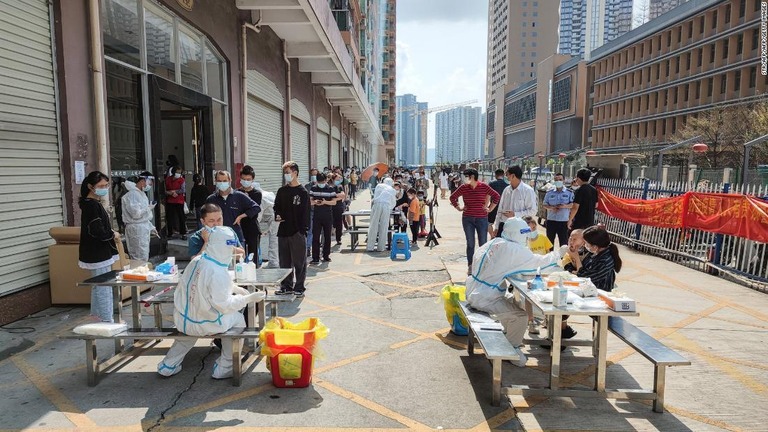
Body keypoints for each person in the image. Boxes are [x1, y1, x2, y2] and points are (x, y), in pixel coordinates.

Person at [157, 226, 264, 379]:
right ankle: (225, 367)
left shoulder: (198, 260)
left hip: (182, 320)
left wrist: (233, 287)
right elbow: (225, 305)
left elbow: (201, 285)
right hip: (205, 323)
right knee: (238, 320)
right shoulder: (218, 272)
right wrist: (247, 299)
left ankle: (168, 365)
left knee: (188, 333)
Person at [465, 218, 569, 367]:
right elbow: (537, 263)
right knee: (521, 316)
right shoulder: (513, 250)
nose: (527, 236)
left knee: (516, 302)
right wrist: (558, 253)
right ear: (517, 234)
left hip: (475, 290)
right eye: (524, 233)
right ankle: (509, 350)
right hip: (485, 297)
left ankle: (507, 337)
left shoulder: (494, 242)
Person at [78, 171, 120, 323]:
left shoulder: (91, 204)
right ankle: (106, 320)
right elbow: (97, 230)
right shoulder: (92, 206)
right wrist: (111, 234)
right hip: (99, 252)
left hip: (96, 251)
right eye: (101, 186)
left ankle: (97, 317)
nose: (105, 188)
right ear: (90, 186)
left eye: (107, 185)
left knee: (98, 285)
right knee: (104, 287)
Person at [449, 168, 500, 275]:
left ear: (472, 177)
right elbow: (452, 197)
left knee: (483, 243)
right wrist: (458, 207)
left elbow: (496, 196)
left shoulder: (484, 186)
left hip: (482, 218)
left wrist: (490, 209)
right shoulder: (464, 187)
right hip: (468, 219)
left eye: (466, 176)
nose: (464, 179)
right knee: (470, 243)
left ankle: (483, 265)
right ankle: (471, 266)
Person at [274, 161, 311, 296]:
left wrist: (303, 231)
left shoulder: (302, 192)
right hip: (283, 231)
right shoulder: (281, 191)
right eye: (285, 173)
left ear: (295, 173)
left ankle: (299, 287)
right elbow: (276, 207)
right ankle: (286, 286)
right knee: (284, 261)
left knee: (299, 262)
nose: (286, 175)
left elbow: (306, 213)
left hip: (297, 232)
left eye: (288, 172)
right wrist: (277, 215)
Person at [205, 170, 261, 248]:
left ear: (230, 181)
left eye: (224, 181)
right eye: (219, 181)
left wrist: (241, 216)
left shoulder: (239, 196)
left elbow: (256, 208)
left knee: (237, 259)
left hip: (235, 238)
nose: (222, 183)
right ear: (215, 181)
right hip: (217, 238)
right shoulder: (211, 199)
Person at [568, 225, 622, 292]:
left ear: (595, 246)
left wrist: (576, 258)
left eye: (586, 243)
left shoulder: (605, 261)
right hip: (588, 289)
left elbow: (585, 277)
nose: (585, 245)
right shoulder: (595, 252)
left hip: (599, 293)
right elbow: (582, 269)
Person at [494, 165, 537, 238]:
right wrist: (497, 227)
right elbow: (500, 209)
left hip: (521, 227)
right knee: (502, 248)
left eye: (507, 174)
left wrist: (515, 214)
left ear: (513, 176)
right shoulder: (506, 190)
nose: (506, 176)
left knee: (518, 248)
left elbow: (533, 211)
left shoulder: (528, 191)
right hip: (504, 226)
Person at [121, 171, 156, 262]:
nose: (150, 185)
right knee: (138, 256)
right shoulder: (133, 194)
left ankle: (142, 272)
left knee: (143, 254)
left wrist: (151, 227)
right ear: (142, 181)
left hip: (142, 228)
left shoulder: (141, 194)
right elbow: (135, 214)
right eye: (149, 182)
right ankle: (139, 274)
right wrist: (148, 208)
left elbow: (143, 217)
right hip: (136, 229)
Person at [309, 173, 337, 264]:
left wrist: (325, 202)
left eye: (323, 181)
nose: (321, 183)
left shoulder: (330, 189)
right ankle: (315, 257)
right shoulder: (313, 188)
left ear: (326, 180)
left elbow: (334, 202)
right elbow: (309, 201)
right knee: (315, 236)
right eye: (319, 182)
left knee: (327, 236)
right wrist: (315, 202)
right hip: (316, 215)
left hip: (327, 215)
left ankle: (326, 256)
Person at [238, 166, 263, 262]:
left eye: (248, 179)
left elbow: (255, 210)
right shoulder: (237, 193)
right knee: (240, 254)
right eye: (243, 179)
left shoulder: (257, 194)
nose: (245, 181)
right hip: (240, 227)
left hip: (252, 227)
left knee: (253, 255)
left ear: (252, 179)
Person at [543, 173, 574, 249]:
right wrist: (551, 208)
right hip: (551, 220)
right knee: (549, 242)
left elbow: (572, 205)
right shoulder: (549, 192)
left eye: (560, 179)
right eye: (556, 180)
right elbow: (544, 204)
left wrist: (564, 206)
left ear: (563, 180)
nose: (558, 181)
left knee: (563, 243)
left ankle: (563, 259)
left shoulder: (569, 192)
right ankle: (550, 259)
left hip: (563, 221)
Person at [367, 177, 397, 252]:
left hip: (377, 205)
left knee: (373, 225)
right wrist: (390, 207)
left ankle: (370, 247)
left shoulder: (379, 186)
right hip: (386, 206)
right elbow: (393, 202)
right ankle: (381, 247)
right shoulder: (393, 190)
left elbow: (375, 196)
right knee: (384, 226)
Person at [255, 184, 280, 268]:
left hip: (274, 218)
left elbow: (258, 216)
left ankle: (274, 262)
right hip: (276, 216)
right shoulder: (268, 193)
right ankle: (276, 261)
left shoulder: (260, 198)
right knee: (276, 240)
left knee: (274, 240)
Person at [164, 165, 187, 240]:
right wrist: (170, 193)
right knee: (169, 217)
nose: (179, 174)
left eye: (180, 172)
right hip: (170, 200)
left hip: (179, 200)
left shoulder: (182, 180)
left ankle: (183, 233)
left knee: (181, 217)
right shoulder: (168, 179)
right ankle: (170, 233)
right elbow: (164, 190)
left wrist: (175, 191)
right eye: (177, 172)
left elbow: (183, 190)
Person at [487, 169, 508, 237]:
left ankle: (492, 236)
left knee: (489, 223)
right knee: (501, 224)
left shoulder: (491, 183)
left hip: (493, 206)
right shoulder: (507, 185)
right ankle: (498, 236)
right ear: (503, 175)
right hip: (503, 207)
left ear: (495, 175)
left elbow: (487, 196)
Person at [330, 173, 347, 246]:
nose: (338, 181)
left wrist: (334, 197)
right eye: (337, 179)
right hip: (331, 207)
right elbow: (329, 198)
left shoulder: (340, 186)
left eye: (339, 179)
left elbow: (343, 195)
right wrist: (338, 197)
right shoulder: (329, 187)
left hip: (339, 207)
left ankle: (338, 239)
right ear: (333, 179)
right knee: (331, 223)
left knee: (339, 223)